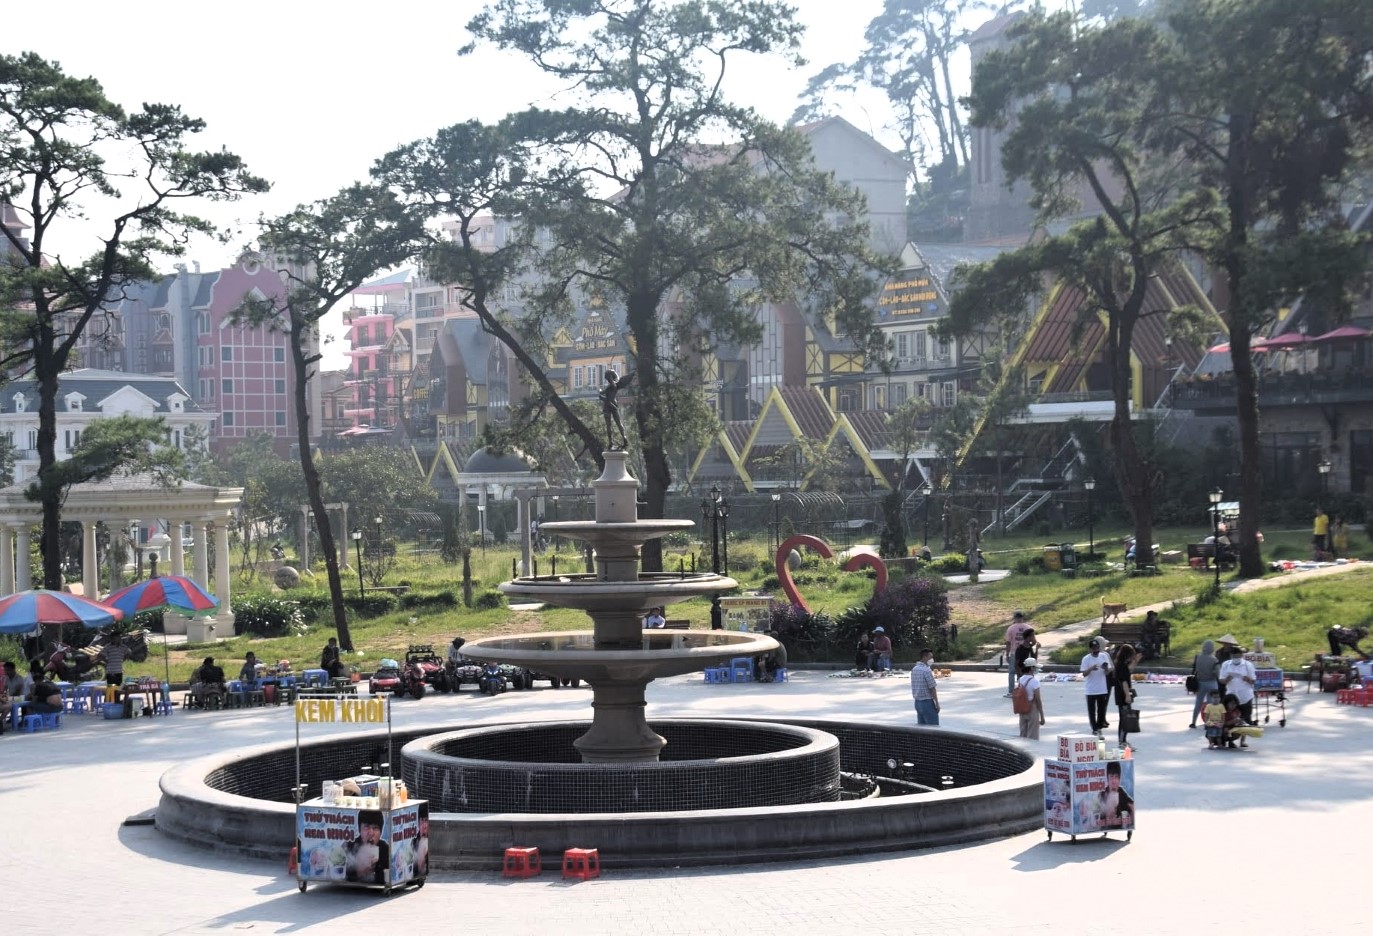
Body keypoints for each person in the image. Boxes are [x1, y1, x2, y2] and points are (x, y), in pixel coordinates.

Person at [1219, 646, 1257, 742]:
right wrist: (1227, 679)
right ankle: (1230, 739)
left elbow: (1253, 680)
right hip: (1231, 695)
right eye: (1234, 656)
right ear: (1231, 656)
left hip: (1245, 695)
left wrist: (1247, 679)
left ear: (1241, 656)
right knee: (1230, 718)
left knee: (1245, 718)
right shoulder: (1226, 664)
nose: (1236, 658)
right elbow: (1221, 680)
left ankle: (1243, 741)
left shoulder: (1248, 665)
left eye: (1238, 656)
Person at [1080, 637, 1113, 735]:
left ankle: (1099, 727)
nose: (1096, 650)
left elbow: (1107, 672)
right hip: (1090, 689)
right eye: (1094, 649)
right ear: (1090, 649)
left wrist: (1105, 668)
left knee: (1101, 710)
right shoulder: (1086, 659)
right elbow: (1084, 674)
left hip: (1102, 688)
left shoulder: (1103, 656)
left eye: (1097, 648)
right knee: (1092, 711)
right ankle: (1094, 728)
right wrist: (1091, 668)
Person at [345, 809, 389, 884]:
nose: (371, 833)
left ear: (381, 832)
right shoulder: (349, 846)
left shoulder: (385, 849)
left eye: (375, 828)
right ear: (359, 830)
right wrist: (358, 872)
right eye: (366, 827)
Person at [598, 369, 635, 449]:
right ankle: (624, 438)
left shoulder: (610, 386)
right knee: (619, 423)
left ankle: (610, 442)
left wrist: (600, 394)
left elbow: (605, 397)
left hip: (608, 406)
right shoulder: (616, 385)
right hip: (614, 405)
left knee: (609, 425)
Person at [1189, 640, 1221, 729]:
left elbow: (1195, 670)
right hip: (1211, 682)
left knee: (1198, 703)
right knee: (1210, 704)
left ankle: (1193, 722)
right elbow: (1218, 673)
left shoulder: (1197, 657)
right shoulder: (1214, 659)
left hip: (1200, 683)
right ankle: (1208, 723)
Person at [1112, 643, 1139, 749]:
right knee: (1125, 719)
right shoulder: (1121, 666)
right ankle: (1122, 742)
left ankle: (1123, 741)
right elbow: (1124, 682)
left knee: (1124, 718)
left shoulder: (1121, 664)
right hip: (1122, 695)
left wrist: (1135, 661)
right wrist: (1127, 695)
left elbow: (1129, 670)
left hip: (1121, 694)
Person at [1097, 760, 1134, 827]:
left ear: (1119, 779)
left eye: (1116, 777)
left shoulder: (1121, 792)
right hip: (1105, 826)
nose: (1114, 781)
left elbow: (1131, 805)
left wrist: (1131, 818)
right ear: (1107, 778)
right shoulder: (1102, 794)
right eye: (1111, 777)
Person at [1015, 657, 1046, 739]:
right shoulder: (1034, 682)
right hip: (1032, 709)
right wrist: (1042, 716)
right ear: (1031, 668)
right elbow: (1038, 700)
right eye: (1035, 667)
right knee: (1033, 736)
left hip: (1022, 709)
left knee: (1023, 734)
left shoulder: (1020, 679)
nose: (1036, 669)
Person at [1004, 611, 1033, 696]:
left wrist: (1007, 654)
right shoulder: (1028, 628)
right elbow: (1033, 640)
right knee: (1024, 671)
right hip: (1026, 652)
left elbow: (1008, 642)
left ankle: (1011, 692)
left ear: (1015, 618)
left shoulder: (1011, 628)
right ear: (1023, 618)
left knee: (1012, 672)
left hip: (1015, 652)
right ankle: (1024, 691)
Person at [910, 648, 940, 725]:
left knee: (922, 729)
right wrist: (937, 703)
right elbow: (932, 688)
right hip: (927, 703)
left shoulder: (914, 669)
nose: (932, 660)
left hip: (917, 703)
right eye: (931, 657)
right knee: (933, 728)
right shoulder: (926, 670)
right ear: (925, 657)